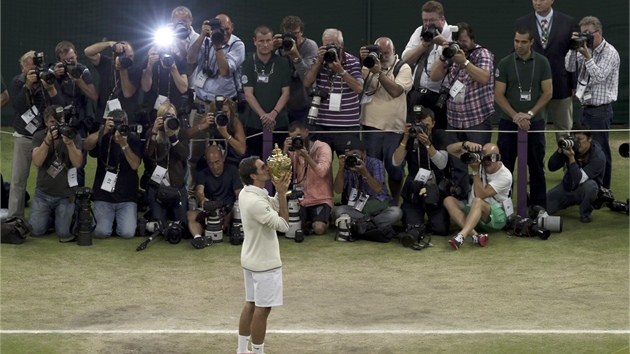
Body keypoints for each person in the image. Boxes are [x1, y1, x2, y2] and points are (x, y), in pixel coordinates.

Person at [429, 22, 494, 200]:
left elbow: (484, 78)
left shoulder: (483, 54)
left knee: (479, 161)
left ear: (472, 39)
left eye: (464, 41)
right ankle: (461, 199)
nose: (461, 45)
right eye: (458, 41)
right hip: (455, 118)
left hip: (477, 118)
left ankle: (481, 200)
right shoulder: (451, 54)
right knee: (457, 162)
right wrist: (444, 57)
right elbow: (434, 76)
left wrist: (464, 62)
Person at [236, 156, 290, 354]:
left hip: (251, 260)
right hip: (265, 264)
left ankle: (242, 351)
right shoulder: (255, 202)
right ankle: (257, 352)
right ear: (253, 175)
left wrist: (280, 190)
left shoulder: (247, 193)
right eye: (262, 167)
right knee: (262, 309)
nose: (267, 168)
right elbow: (283, 225)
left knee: (251, 304)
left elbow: (272, 206)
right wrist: (283, 194)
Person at [495, 26, 552, 209]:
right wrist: (516, 117)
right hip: (508, 122)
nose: (519, 45)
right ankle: (505, 208)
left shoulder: (542, 62)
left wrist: (528, 114)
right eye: (516, 41)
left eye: (523, 42)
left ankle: (539, 208)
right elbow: (498, 95)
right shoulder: (505, 63)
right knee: (505, 167)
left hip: (534, 122)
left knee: (536, 166)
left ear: (532, 42)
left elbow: (548, 92)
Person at [187, 13, 245, 184]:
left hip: (226, 106)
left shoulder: (237, 44)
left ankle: (230, 189)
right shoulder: (204, 40)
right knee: (195, 153)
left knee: (230, 151)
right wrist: (202, 37)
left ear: (232, 27)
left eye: (227, 29)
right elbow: (190, 59)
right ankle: (194, 191)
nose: (224, 33)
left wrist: (218, 46)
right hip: (202, 103)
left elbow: (224, 70)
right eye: (220, 30)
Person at [564, 16, 619, 189]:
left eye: (588, 34)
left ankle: (604, 189)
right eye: (583, 34)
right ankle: (587, 186)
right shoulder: (583, 48)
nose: (585, 38)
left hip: (600, 110)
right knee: (584, 150)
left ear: (599, 32)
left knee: (600, 152)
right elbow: (569, 67)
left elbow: (599, 76)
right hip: (585, 108)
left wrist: (588, 57)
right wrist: (574, 47)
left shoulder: (610, 52)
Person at [8, 50, 65, 218]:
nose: (35, 71)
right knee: (18, 179)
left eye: (36, 67)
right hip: (24, 136)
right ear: (22, 68)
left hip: (46, 137)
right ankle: (14, 218)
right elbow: (19, 107)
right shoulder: (17, 82)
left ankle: (51, 216)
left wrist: (51, 88)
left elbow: (60, 107)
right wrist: (27, 86)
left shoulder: (48, 79)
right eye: (31, 68)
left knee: (51, 176)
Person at [359, 37, 413, 204]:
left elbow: (396, 91)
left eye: (386, 53)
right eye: (379, 53)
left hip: (393, 129)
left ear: (394, 51)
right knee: (372, 169)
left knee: (395, 168)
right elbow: (359, 86)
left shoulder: (402, 67)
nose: (382, 57)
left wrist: (378, 72)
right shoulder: (368, 65)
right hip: (370, 127)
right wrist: (363, 61)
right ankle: (377, 202)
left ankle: (395, 202)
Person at [515, 0, 577, 141]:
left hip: (561, 85)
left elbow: (573, 54)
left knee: (565, 132)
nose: (537, 2)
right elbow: (516, 53)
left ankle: (568, 162)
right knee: (536, 132)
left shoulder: (567, 22)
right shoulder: (522, 22)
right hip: (533, 86)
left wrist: (574, 83)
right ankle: (537, 163)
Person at [302, 28, 363, 156]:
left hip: (347, 125)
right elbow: (307, 83)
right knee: (321, 166)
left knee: (349, 165)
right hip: (322, 125)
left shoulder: (352, 61)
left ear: (341, 45)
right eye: (326, 45)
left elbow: (358, 88)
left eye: (333, 45)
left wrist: (341, 71)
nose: (330, 48)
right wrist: (318, 62)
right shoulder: (318, 60)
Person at [83, 109, 142, 239]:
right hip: (104, 195)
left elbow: (135, 165)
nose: (117, 126)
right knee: (101, 233)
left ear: (126, 123)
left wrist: (124, 144)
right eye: (113, 122)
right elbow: (86, 145)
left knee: (127, 233)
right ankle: (111, 221)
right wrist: (102, 131)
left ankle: (116, 221)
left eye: (120, 123)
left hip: (126, 197)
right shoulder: (103, 136)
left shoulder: (133, 139)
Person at [392, 106, 450, 236]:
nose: (422, 129)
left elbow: (442, 164)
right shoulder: (409, 135)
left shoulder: (439, 135)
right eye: (420, 125)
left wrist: (428, 145)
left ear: (433, 124)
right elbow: (395, 162)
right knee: (412, 227)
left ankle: (432, 219)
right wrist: (405, 139)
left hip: (436, 184)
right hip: (414, 184)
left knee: (440, 229)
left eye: (427, 125)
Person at [444, 142, 512, 250]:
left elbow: (481, 195)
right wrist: (466, 144)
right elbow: (450, 149)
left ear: (498, 158)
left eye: (491, 158)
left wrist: (475, 171)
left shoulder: (505, 176)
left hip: (496, 217)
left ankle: (461, 236)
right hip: (474, 215)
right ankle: (476, 236)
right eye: (485, 158)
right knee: (448, 200)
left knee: (477, 201)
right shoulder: (479, 162)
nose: (487, 162)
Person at [28, 105, 82, 237]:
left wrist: (69, 143)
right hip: (43, 193)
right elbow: (37, 161)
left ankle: (71, 210)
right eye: (53, 122)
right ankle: (51, 218)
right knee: (35, 231)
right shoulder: (39, 136)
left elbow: (77, 163)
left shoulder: (73, 136)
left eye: (60, 120)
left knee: (64, 233)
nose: (57, 125)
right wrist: (47, 141)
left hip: (65, 194)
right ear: (46, 123)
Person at [401, 0, 455, 129]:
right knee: (413, 131)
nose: (428, 24)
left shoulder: (452, 33)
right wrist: (424, 45)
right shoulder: (420, 31)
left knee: (438, 134)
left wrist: (444, 43)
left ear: (442, 19)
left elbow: (459, 58)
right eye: (425, 20)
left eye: (432, 20)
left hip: (439, 96)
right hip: (417, 93)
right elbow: (406, 59)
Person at [333, 137, 402, 234]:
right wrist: (340, 169)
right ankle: (371, 226)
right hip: (358, 209)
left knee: (396, 213)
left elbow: (378, 189)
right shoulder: (347, 166)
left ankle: (361, 226)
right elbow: (338, 190)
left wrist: (364, 172)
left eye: (355, 154)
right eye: (348, 155)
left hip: (379, 208)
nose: (352, 158)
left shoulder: (375, 163)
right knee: (340, 211)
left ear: (364, 154)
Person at [241, 25, 291, 158]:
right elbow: (248, 94)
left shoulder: (282, 63)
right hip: (255, 123)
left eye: (268, 40)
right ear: (254, 41)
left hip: (278, 122)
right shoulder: (247, 63)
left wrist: (273, 115)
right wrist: (264, 116)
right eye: (261, 41)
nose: (265, 45)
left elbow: (286, 92)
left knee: (279, 161)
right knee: (255, 163)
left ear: (272, 41)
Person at [282, 120, 333, 235]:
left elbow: (322, 172)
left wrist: (307, 156)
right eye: (293, 138)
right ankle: (308, 221)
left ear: (306, 132)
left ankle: (324, 218)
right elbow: (282, 173)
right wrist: (285, 150)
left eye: (298, 137)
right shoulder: (293, 151)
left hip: (320, 198)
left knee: (319, 229)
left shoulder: (322, 148)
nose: (297, 141)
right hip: (300, 199)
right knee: (288, 226)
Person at [546, 123, 605, 223]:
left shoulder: (598, 157)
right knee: (541, 207)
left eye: (580, 139)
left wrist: (571, 158)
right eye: (574, 138)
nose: (576, 142)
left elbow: (579, 179)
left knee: (590, 186)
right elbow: (551, 167)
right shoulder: (572, 147)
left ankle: (585, 213)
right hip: (567, 186)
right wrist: (560, 150)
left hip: (585, 189)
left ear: (589, 138)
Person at [187, 145, 243, 247]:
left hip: (228, 209)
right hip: (211, 209)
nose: (215, 166)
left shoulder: (232, 170)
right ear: (207, 162)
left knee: (237, 207)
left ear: (223, 158)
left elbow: (239, 193)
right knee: (190, 215)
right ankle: (198, 238)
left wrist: (231, 212)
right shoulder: (203, 173)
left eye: (217, 162)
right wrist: (203, 201)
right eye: (211, 163)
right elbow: (199, 192)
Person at [144, 102, 190, 226]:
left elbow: (185, 154)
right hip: (158, 186)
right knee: (159, 225)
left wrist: (172, 137)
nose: (170, 118)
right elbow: (148, 155)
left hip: (177, 186)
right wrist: (154, 132)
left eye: (173, 115)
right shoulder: (152, 132)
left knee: (182, 225)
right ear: (160, 117)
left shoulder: (181, 133)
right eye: (167, 115)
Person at [272, 15, 318, 123]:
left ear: (301, 32)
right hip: (284, 104)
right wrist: (270, 49)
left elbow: (306, 78)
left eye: (295, 33)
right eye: (288, 34)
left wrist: (296, 56)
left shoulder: (309, 46)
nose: (292, 38)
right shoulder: (280, 47)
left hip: (305, 102)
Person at [84, 40, 142, 123]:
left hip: (124, 120)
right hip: (103, 117)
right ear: (116, 55)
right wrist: (109, 44)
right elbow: (88, 52)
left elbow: (127, 93)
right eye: (126, 56)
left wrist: (123, 69)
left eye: (131, 56)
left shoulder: (136, 71)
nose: (128, 60)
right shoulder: (107, 63)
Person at [52, 41, 98, 132]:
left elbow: (94, 97)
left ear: (76, 54)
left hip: (79, 118)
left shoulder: (83, 70)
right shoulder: (55, 70)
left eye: (72, 58)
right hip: (58, 117)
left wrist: (80, 82)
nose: (70, 62)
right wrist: (54, 76)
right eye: (66, 60)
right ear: (59, 61)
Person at [191, 96, 247, 168]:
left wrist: (226, 135)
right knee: (199, 165)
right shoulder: (211, 117)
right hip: (213, 155)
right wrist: (203, 126)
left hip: (232, 158)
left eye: (226, 112)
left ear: (231, 111)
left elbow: (242, 150)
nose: (222, 115)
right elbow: (188, 135)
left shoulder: (235, 123)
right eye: (219, 112)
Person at [141, 42, 189, 115]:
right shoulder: (149, 59)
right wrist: (150, 66)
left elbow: (183, 89)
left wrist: (173, 69)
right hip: (152, 108)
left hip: (174, 108)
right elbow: (145, 87)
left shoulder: (179, 61)